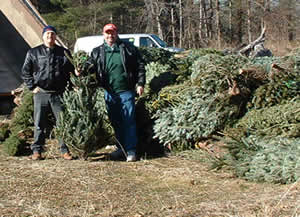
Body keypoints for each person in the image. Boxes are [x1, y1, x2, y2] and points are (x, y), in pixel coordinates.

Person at [75, 23, 146, 162]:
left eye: (112, 33)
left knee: (129, 121)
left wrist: (140, 83)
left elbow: (140, 66)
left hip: (126, 91)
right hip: (109, 93)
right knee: (116, 122)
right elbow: (90, 66)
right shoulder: (97, 52)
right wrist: (81, 70)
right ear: (103, 34)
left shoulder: (128, 49)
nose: (110, 36)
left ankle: (131, 150)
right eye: (107, 33)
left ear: (116, 33)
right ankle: (121, 148)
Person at [22, 25, 74, 160]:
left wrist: (75, 80)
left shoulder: (64, 52)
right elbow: (25, 72)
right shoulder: (33, 53)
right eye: (47, 34)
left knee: (62, 123)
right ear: (43, 36)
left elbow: (72, 70)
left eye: (52, 34)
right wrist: (32, 87)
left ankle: (65, 150)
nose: (50, 36)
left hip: (59, 93)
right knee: (39, 123)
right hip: (41, 93)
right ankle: (37, 151)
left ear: (55, 36)